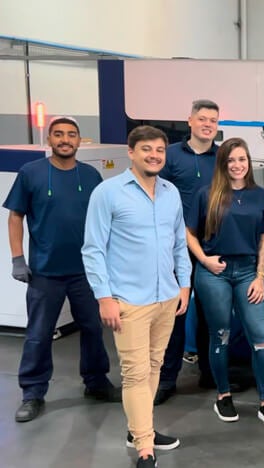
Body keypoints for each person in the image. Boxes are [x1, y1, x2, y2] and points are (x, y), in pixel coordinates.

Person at [82, 125, 191, 468]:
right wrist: (104, 297)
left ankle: (139, 429)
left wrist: (184, 285)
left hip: (166, 297)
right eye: (147, 149)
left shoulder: (171, 192)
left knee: (154, 366)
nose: (154, 156)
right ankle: (145, 447)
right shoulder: (108, 192)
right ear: (131, 152)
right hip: (128, 300)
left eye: (160, 150)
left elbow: (179, 242)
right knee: (134, 373)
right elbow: (93, 249)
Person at [4, 117, 120, 423]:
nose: (65, 139)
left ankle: (96, 382)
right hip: (45, 273)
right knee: (38, 334)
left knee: (93, 329)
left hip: (86, 272)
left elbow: (104, 220)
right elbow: (15, 216)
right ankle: (32, 392)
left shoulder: (91, 175)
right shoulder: (31, 173)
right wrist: (17, 259)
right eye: (59, 134)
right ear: (50, 140)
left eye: (71, 134)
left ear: (79, 140)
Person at [184, 137, 264, 430]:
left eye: (242, 159)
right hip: (214, 271)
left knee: (261, 338)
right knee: (221, 334)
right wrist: (204, 260)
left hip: (248, 271)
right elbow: (189, 233)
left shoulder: (260, 196)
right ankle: (223, 396)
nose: (237, 165)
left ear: (248, 162)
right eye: (231, 160)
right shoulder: (206, 194)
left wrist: (261, 276)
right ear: (222, 164)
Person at [156, 99, 220, 404]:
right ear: (190, 121)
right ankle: (167, 379)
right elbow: (157, 196)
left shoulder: (221, 157)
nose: (208, 124)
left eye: (213, 120)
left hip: (212, 246)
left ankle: (209, 373)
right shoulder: (170, 156)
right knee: (174, 313)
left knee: (210, 313)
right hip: (175, 248)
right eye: (203, 119)